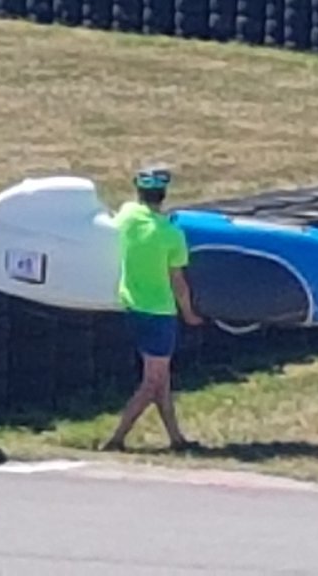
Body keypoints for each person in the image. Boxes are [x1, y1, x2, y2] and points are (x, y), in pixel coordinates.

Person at [98, 165, 204, 452]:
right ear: (164, 194)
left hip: (133, 306)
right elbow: (178, 282)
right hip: (159, 313)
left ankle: (176, 439)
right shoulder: (172, 235)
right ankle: (117, 438)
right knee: (153, 382)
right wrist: (190, 313)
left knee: (162, 378)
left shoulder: (128, 215)